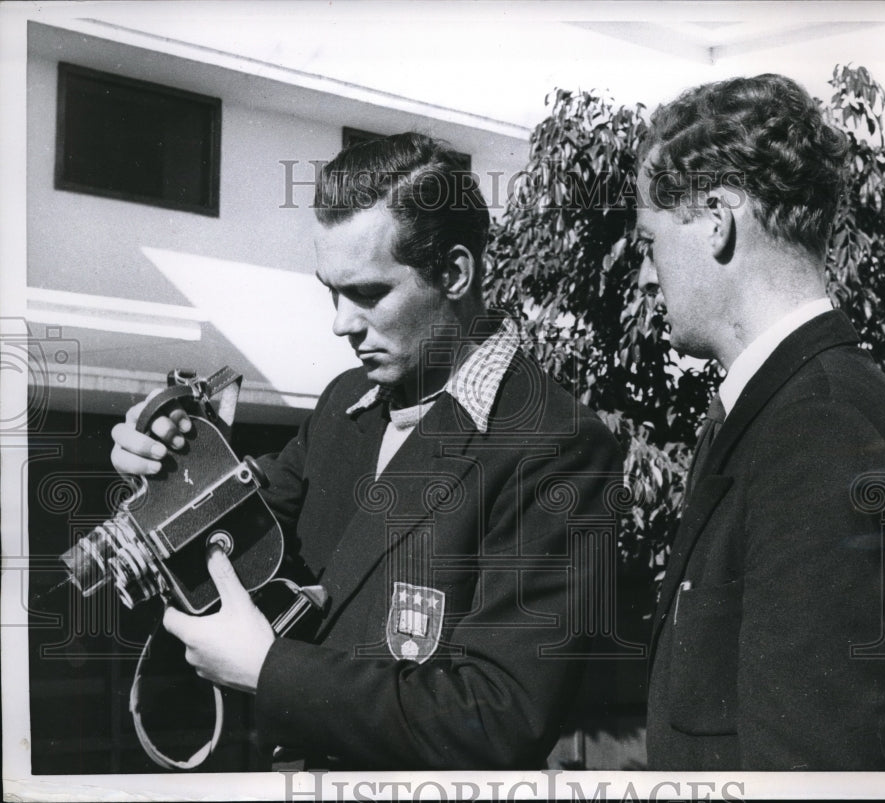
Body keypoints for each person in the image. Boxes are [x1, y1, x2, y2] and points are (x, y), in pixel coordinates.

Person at [110, 133, 622, 769]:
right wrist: (167, 461)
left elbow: (498, 717)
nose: (341, 324)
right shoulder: (343, 404)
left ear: (456, 274)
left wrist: (272, 672)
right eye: (332, 290)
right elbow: (245, 525)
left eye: (369, 293)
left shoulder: (555, 444)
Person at [635, 74, 885, 770]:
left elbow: (813, 764)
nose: (645, 277)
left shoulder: (814, 428)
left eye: (649, 243)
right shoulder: (809, 407)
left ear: (716, 218)